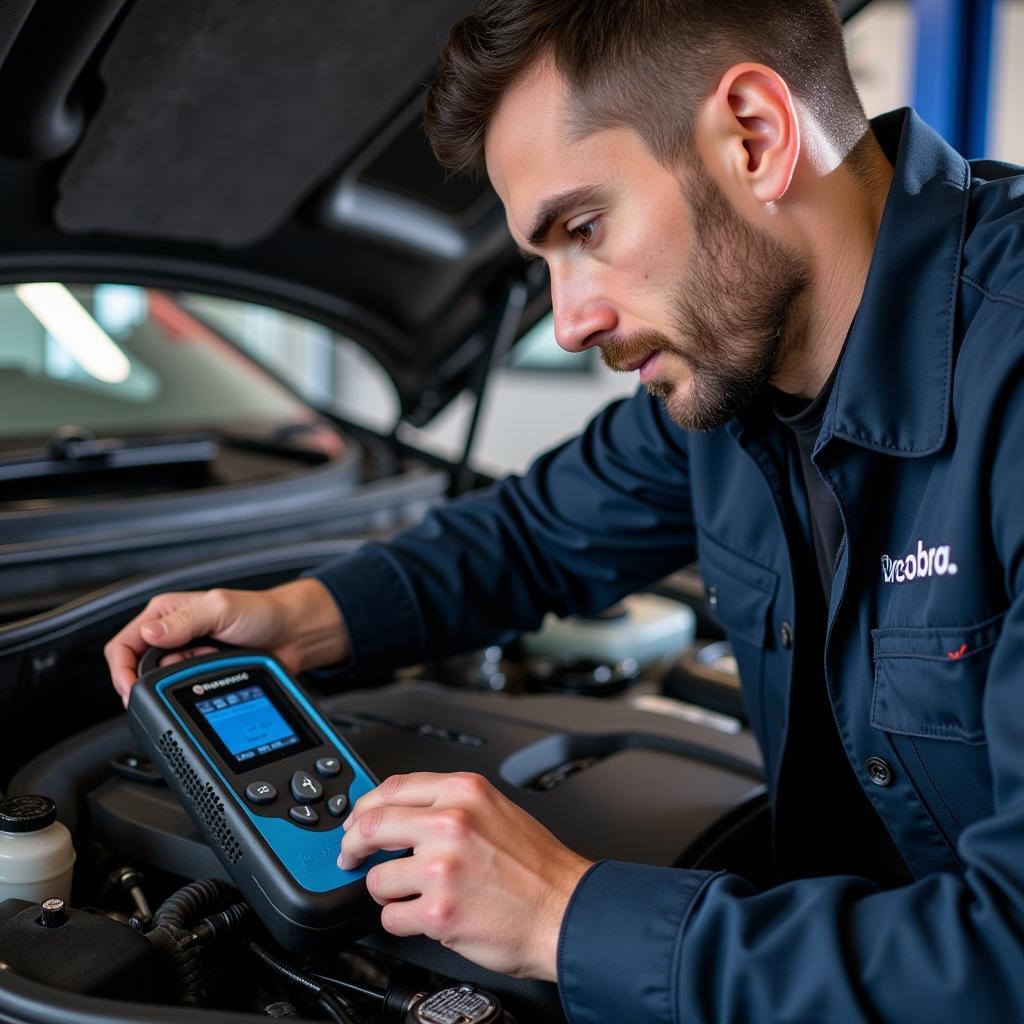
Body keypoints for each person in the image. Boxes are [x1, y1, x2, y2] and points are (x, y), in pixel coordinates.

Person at [106, 0, 1024, 1019]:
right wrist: (299, 616)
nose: (570, 317)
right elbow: (531, 535)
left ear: (755, 137)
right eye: (541, 259)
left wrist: (560, 913)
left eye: (583, 228)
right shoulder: (730, 376)